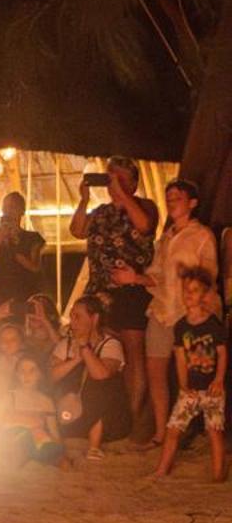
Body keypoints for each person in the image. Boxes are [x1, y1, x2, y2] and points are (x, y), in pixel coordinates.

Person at [71, 157, 158, 445]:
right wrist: (83, 200)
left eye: (120, 178)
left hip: (131, 290)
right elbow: (77, 230)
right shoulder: (101, 212)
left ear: (132, 182)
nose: (113, 183)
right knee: (102, 352)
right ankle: (104, 418)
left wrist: (123, 195)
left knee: (133, 355)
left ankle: (134, 419)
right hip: (99, 291)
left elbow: (144, 226)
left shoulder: (145, 206)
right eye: (111, 178)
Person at [125, 178, 218, 436]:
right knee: (156, 371)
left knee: (190, 375)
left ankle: (191, 430)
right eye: (169, 199)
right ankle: (161, 432)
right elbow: (156, 275)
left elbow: (208, 277)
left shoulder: (202, 236)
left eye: (177, 198)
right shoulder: (165, 239)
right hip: (163, 310)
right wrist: (135, 278)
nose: (171, 203)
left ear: (192, 203)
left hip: (189, 312)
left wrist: (201, 311)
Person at [154, 267, 226, 481]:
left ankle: (217, 475)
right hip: (191, 389)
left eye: (194, 290)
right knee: (174, 428)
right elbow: (180, 359)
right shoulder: (181, 326)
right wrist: (184, 386)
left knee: (214, 431)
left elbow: (222, 354)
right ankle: (161, 470)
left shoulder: (213, 325)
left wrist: (219, 379)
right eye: (186, 290)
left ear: (204, 294)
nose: (188, 294)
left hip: (212, 388)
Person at [50, 296, 127, 458]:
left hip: (107, 420)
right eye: (71, 316)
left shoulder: (111, 345)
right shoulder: (66, 344)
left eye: (78, 316)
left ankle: (94, 446)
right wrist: (76, 359)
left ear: (94, 318)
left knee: (99, 382)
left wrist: (84, 349)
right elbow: (51, 376)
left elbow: (102, 374)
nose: (72, 322)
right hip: (71, 413)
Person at [0, 191, 45, 331]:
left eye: (13, 207)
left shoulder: (32, 238)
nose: (9, 211)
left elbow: (35, 267)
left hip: (22, 294)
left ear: (22, 211)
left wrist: (15, 247)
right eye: (6, 207)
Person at [0, 355, 67, 470]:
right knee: (22, 435)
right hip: (12, 442)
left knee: (53, 450)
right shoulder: (9, 397)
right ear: (17, 374)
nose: (26, 375)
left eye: (32, 371)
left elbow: (54, 432)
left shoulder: (46, 401)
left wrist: (61, 454)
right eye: (22, 371)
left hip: (37, 444)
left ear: (40, 374)